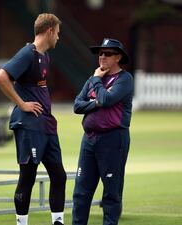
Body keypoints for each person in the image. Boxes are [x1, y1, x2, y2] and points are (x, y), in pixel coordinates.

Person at [0, 13, 66, 225]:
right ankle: (21, 223)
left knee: (59, 175)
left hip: (46, 124)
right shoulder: (27, 53)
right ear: (49, 31)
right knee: (28, 177)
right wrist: (22, 104)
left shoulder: (45, 56)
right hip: (29, 125)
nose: (58, 38)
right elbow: (1, 77)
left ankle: (58, 222)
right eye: (58, 33)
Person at [72, 38, 134, 225]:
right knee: (81, 191)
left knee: (111, 193)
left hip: (113, 139)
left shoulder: (124, 79)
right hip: (89, 139)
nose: (102, 57)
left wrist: (97, 82)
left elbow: (106, 99)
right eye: (100, 53)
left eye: (107, 53)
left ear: (118, 57)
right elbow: (77, 105)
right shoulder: (94, 78)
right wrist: (95, 102)